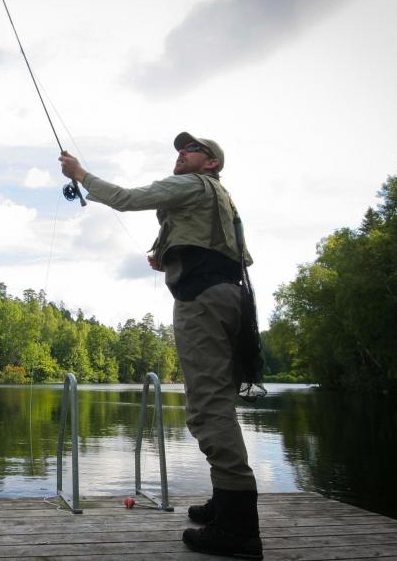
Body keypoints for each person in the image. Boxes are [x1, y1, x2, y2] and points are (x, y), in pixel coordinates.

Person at [59, 132, 263, 560]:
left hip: (203, 301)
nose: (181, 154)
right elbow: (221, 250)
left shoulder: (191, 185)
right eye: (180, 149)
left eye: (191, 150)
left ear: (210, 163)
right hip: (231, 297)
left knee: (207, 409)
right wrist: (167, 255)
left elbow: (128, 197)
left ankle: (239, 530)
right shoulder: (222, 199)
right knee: (219, 402)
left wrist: (82, 175)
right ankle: (225, 503)